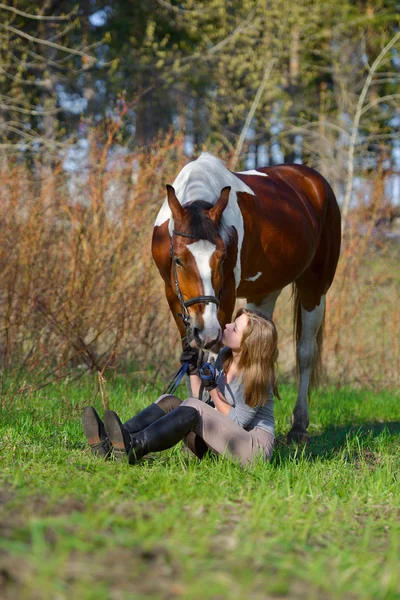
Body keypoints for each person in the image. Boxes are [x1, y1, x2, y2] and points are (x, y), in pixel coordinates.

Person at [81, 308, 279, 467]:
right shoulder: (226, 356)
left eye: (234, 328)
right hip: (220, 440)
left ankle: (134, 446)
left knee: (193, 407)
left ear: (248, 344)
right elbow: (203, 405)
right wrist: (194, 369)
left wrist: (212, 389)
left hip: (250, 449)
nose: (226, 326)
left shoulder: (257, 378)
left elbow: (236, 422)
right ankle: (114, 441)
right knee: (169, 401)